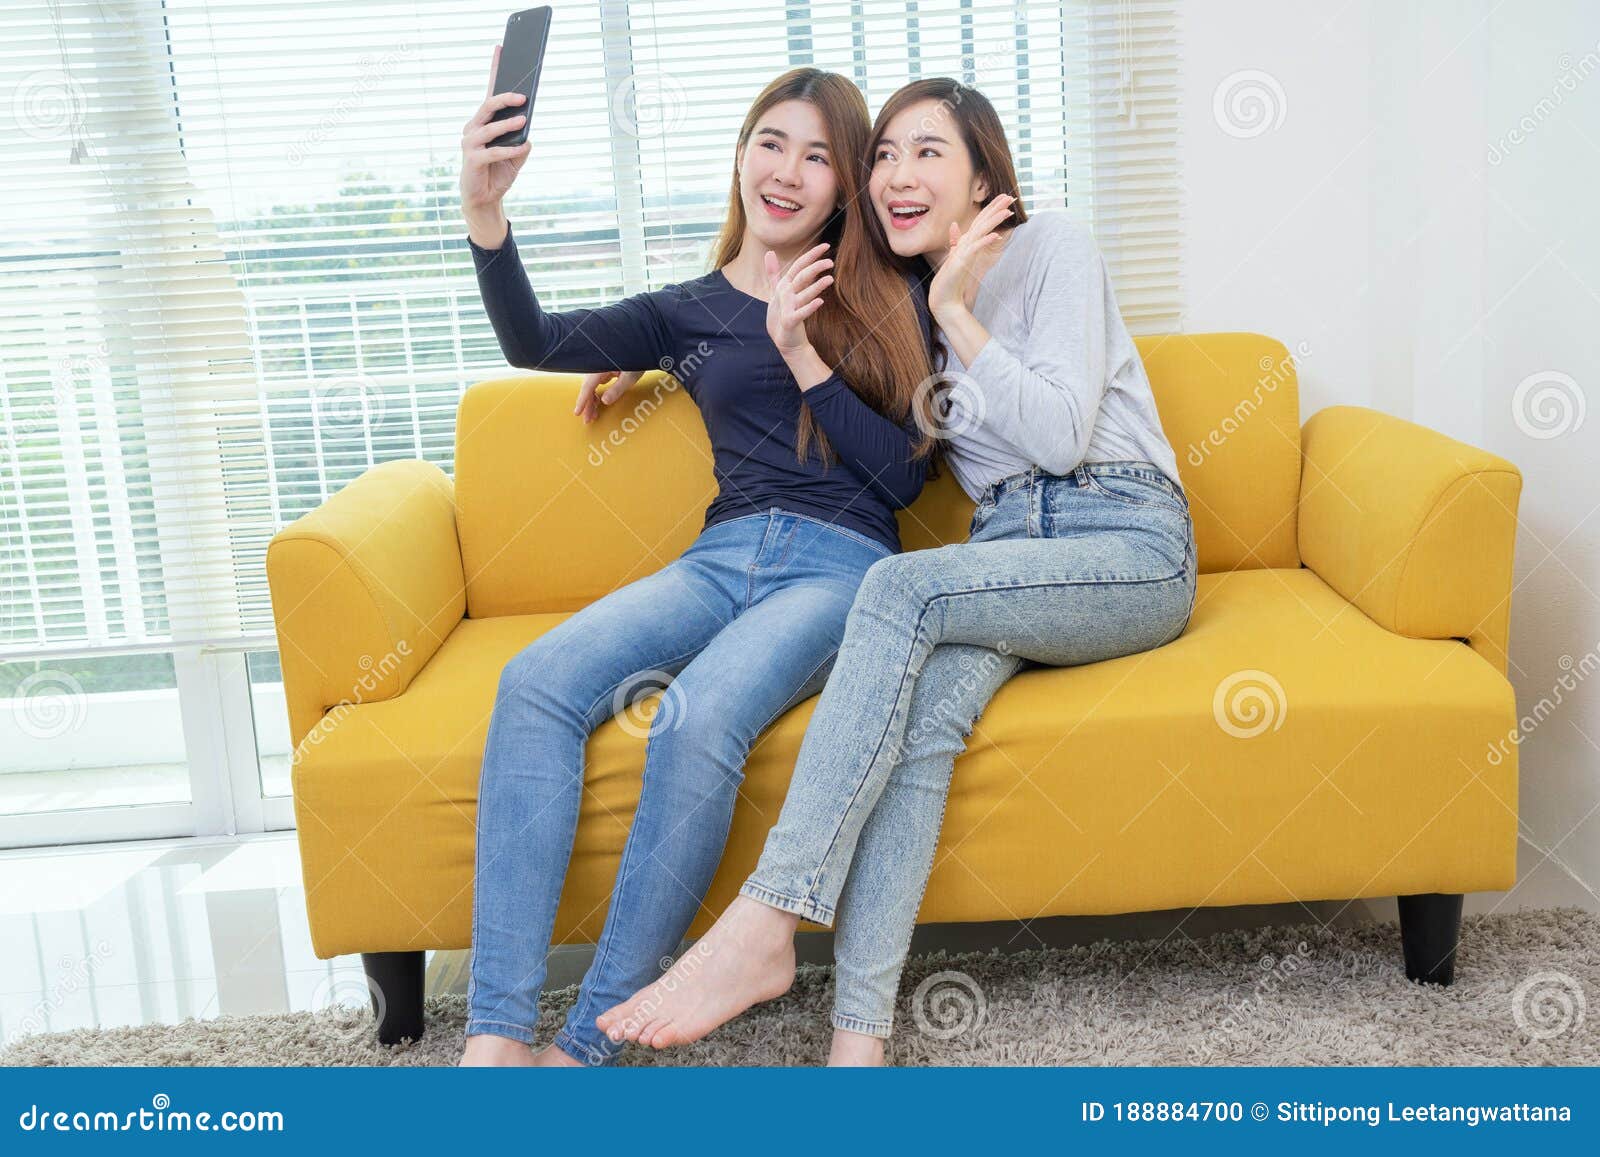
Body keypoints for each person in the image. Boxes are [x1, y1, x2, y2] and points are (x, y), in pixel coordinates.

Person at [596, 77, 1198, 1066]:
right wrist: (658, 357)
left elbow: (1055, 437)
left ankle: (763, 923)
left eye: (927, 152)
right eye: (881, 155)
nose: (895, 175)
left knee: (897, 585)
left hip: (1126, 538)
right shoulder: (904, 304)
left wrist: (960, 306)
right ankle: (856, 1052)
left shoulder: (1052, 249)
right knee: (918, 731)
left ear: (981, 176)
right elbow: (771, 321)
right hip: (1007, 558)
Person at [458, 59, 935, 1067]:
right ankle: (496, 1033)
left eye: (818, 156)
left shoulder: (891, 291)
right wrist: (485, 211)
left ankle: (585, 1043)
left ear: (846, 188)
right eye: (771, 142)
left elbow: (901, 480)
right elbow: (533, 339)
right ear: (741, 155)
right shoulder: (686, 312)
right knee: (534, 680)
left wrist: (800, 348)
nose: (787, 171)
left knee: (698, 713)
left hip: (840, 565)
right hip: (720, 555)